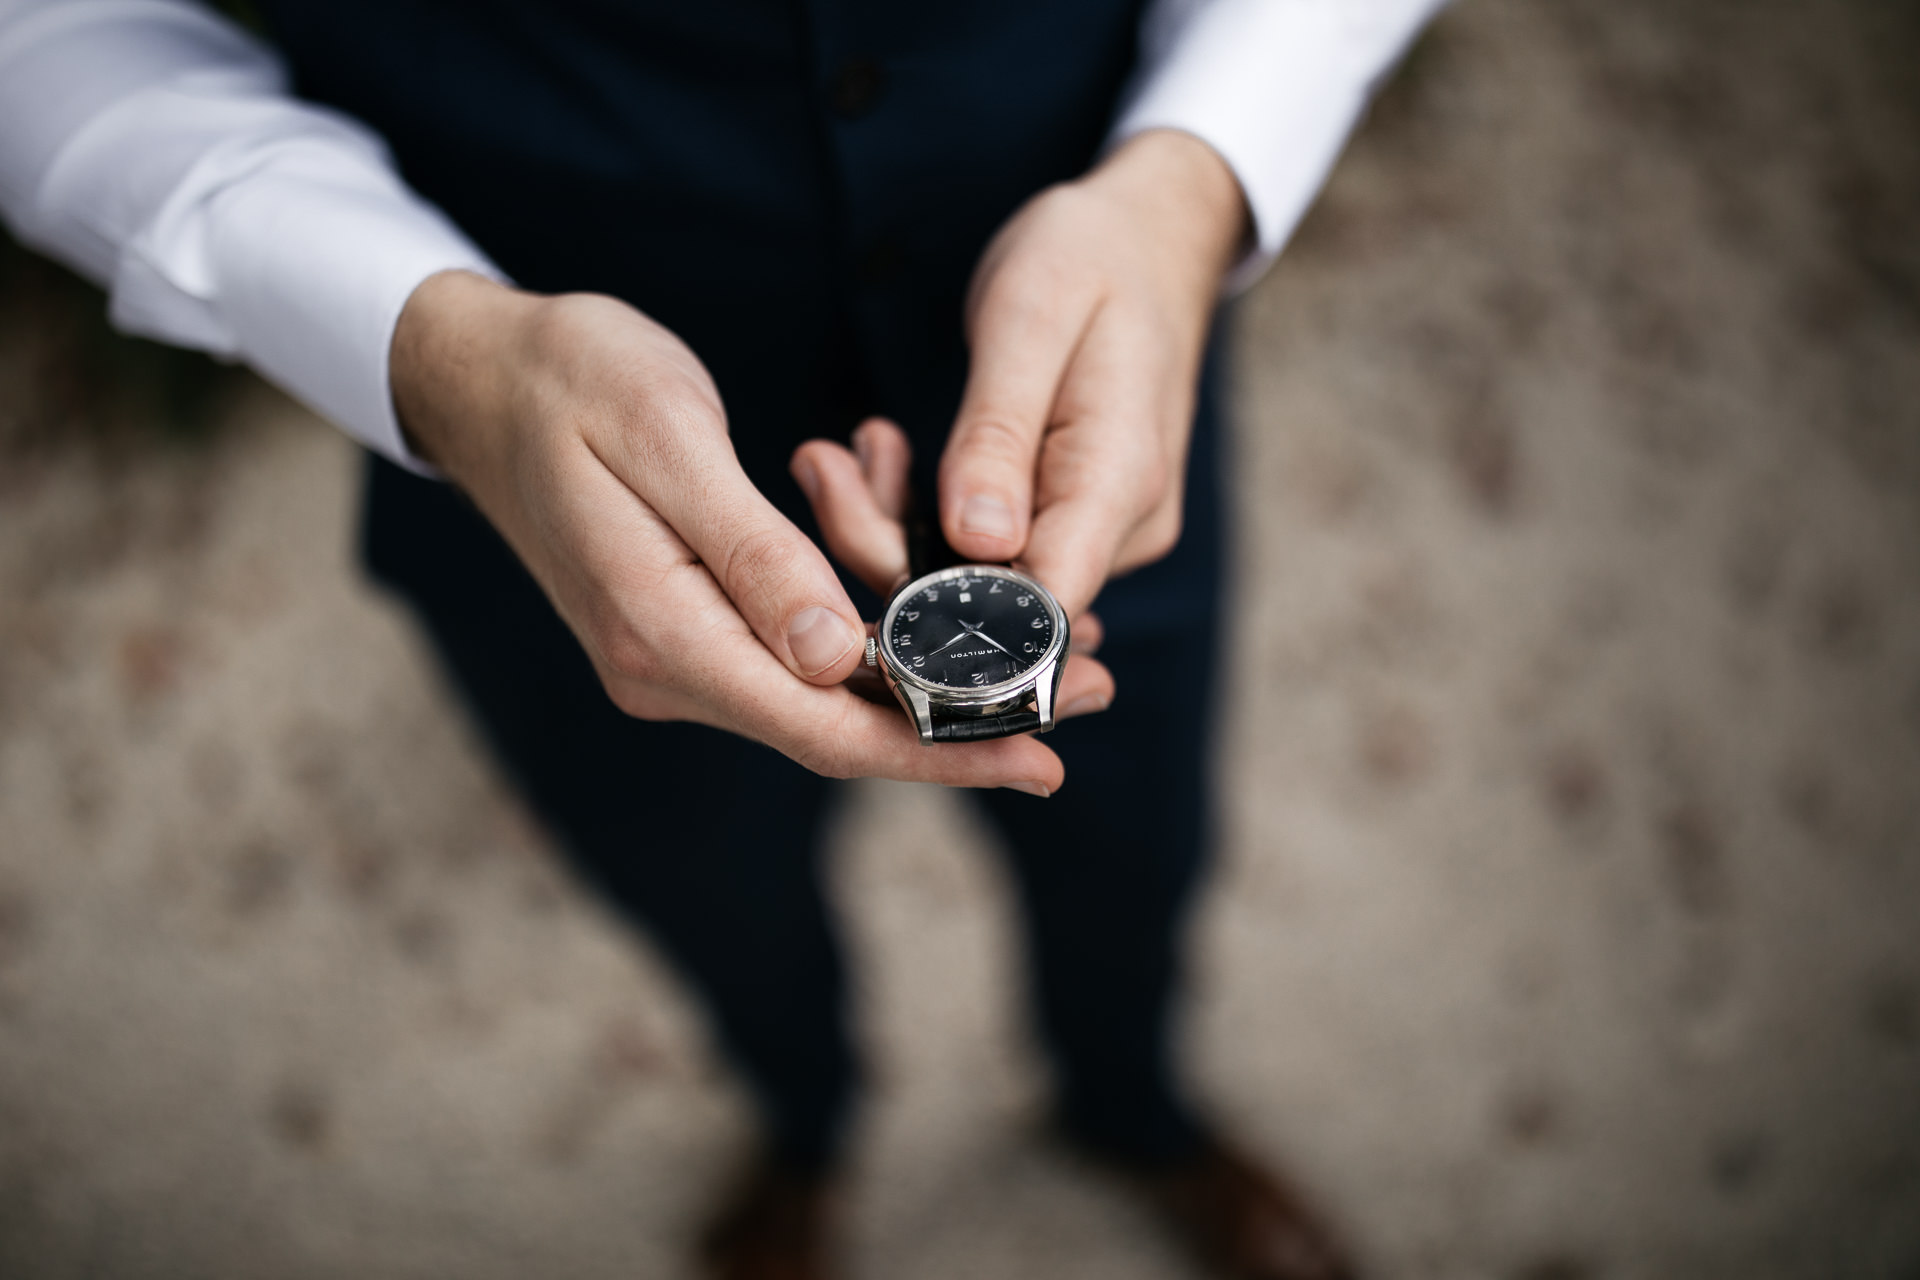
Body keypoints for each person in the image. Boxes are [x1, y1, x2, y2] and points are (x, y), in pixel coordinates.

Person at [0, 1, 1444, 1276]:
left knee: (1135, 853)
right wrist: (424, 345)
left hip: (1087, 382)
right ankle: (803, 1128)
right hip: (535, 454)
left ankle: (1136, 1113)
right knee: (712, 906)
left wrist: (1199, 171)